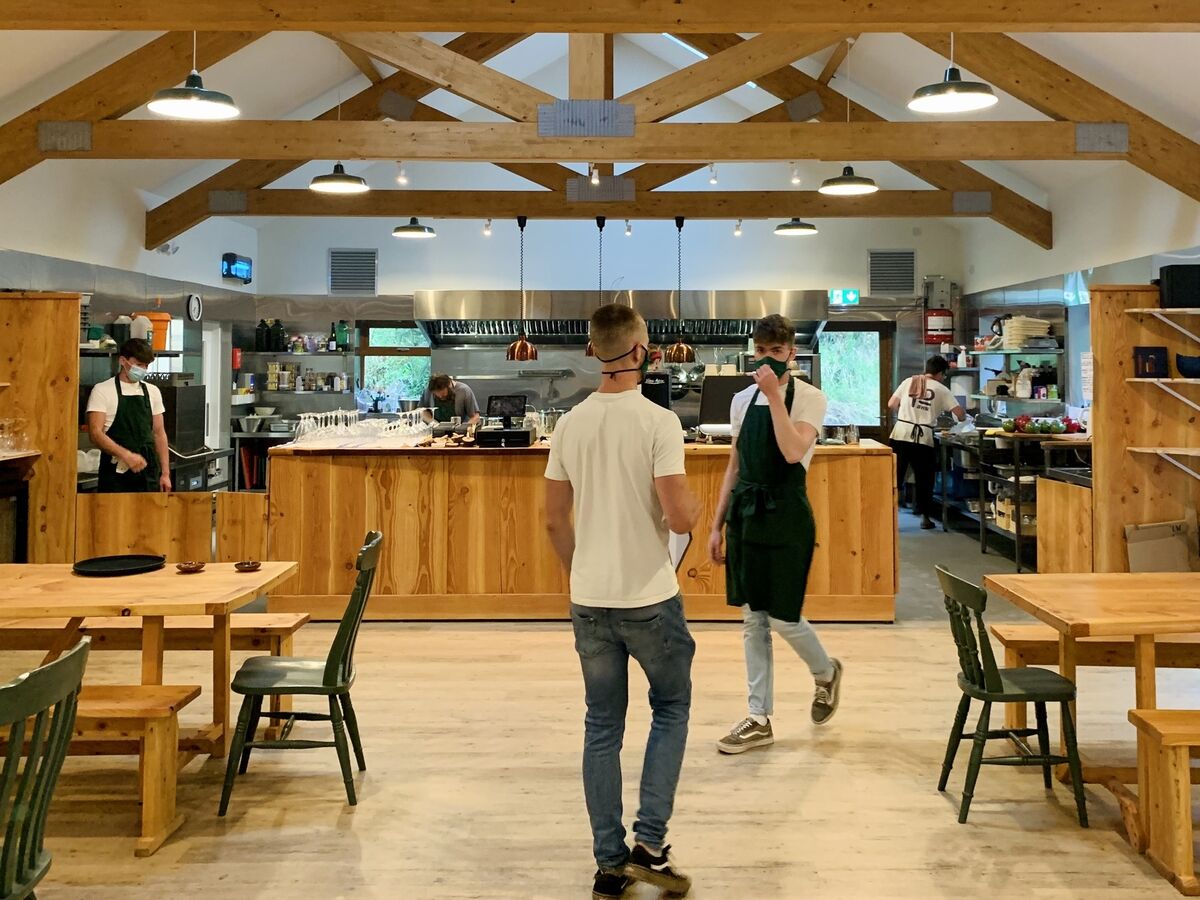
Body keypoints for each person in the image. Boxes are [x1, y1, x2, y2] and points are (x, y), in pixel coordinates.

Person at [544, 303, 701, 900]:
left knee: (601, 726)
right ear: (641, 350)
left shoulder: (570, 424)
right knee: (671, 708)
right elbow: (680, 514)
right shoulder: (658, 423)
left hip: (590, 600)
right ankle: (651, 846)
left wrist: (580, 574)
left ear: (593, 351)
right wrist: (697, 511)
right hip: (649, 598)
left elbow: (555, 522)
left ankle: (609, 863)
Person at [708, 314, 843, 755]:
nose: (769, 360)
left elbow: (790, 450)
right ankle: (758, 716)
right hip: (746, 512)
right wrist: (717, 523)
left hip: (786, 513)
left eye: (777, 352)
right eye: (762, 352)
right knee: (753, 618)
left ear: (793, 354)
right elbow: (734, 463)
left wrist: (775, 397)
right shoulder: (742, 400)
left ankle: (825, 672)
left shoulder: (810, 398)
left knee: (783, 615)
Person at [888, 355, 967, 529]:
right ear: (940, 373)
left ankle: (888, 516)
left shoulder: (909, 381)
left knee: (894, 477)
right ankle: (925, 518)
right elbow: (960, 414)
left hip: (901, 433)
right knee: (925, 479)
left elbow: (891, 404)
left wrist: (908, 411)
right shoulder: (941, 389)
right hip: (923, 438)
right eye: (944, 375)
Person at [86, 338, 171, 493]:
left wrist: (165, 473)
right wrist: (125, 455)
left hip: (148, 474)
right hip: (115, 476)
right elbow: (95, 433)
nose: (143, 369)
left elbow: (159, 434)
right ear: (123, 361)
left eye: (146, 366)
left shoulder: (153, 392)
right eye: (138, 365)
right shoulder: (102, 390)